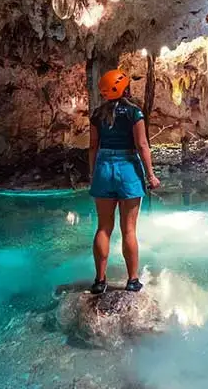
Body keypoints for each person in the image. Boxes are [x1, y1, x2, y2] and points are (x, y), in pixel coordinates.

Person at [88, 69, 160, 294]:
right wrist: (150, 174)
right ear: (125, 88)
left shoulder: (97, 115)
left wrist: (94, 173)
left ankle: (100, 281)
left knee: (103, 227)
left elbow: (93, 146)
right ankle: (132, 280)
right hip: (128, 167)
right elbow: (142, 145)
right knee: (128, 230)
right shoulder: (134, 113)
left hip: (103, 168)